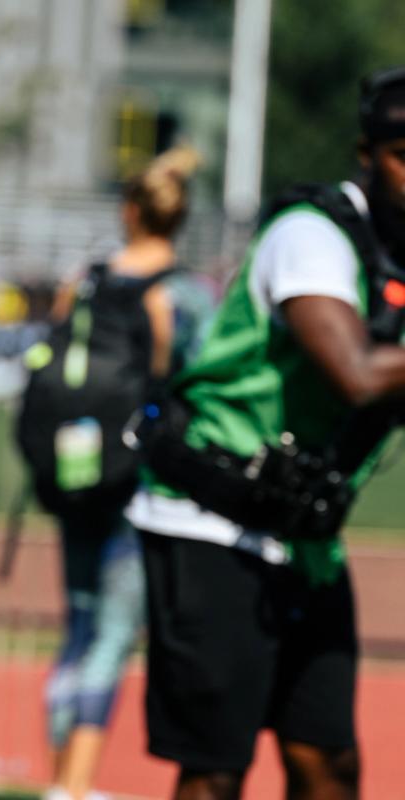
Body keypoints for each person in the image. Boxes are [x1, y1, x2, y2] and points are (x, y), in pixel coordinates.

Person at [125, 67, 405, 800]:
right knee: (217, 769)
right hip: (213, 516)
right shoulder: (313, 234)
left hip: (305, 531)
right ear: (366, 155)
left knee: (328, 761)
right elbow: (356, 372)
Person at [33, 148, 205, 800]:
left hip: (73, 473)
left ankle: (59, 780)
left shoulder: (85, 280)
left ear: (129, 211)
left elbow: (48, 363)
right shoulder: (184, 294)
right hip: (138, 482)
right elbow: (200, 382)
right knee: (113, 634)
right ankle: (77, 787)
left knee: (77, 627)